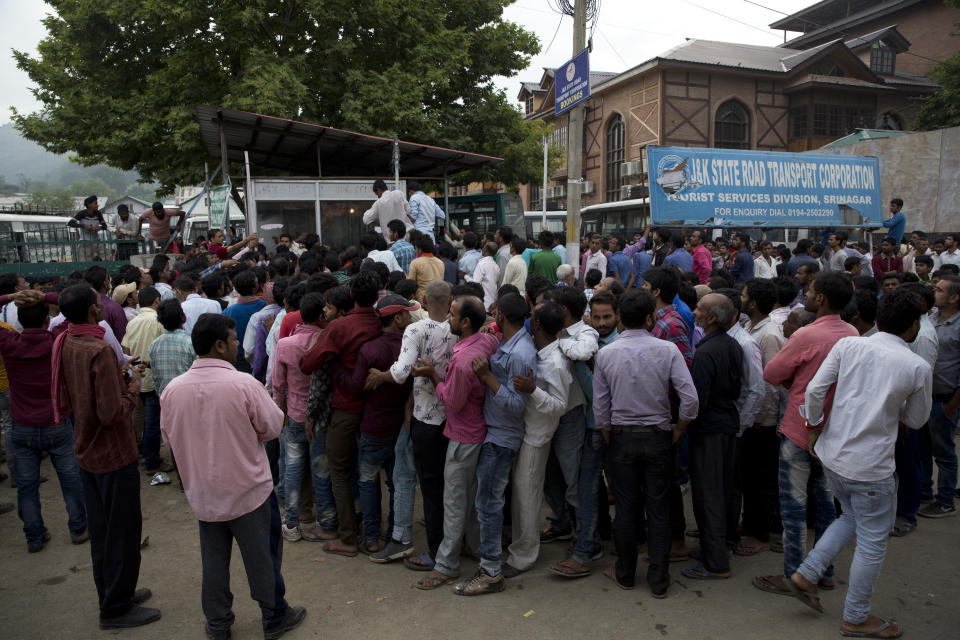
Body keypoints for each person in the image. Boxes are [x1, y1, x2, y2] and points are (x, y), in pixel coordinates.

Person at [788, 289, 930, 639]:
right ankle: (855, 616)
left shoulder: (850, 346)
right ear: (913, 326)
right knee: (871, 539)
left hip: (835, 455)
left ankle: (808, 572)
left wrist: (813, 425)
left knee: (851, 516)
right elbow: (916, 419)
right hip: (871, 466)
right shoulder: (916, 366)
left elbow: (815, 390)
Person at [160, 314, 305, 640]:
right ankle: (274, 617)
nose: (238, 344)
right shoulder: (243, 384)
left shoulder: (173, 391)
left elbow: (170, 438)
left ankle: (218, 624)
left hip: (204, 494)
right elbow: (272, 427)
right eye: (235, 339)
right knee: (262, 558)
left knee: (214, 560)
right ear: (220, 344)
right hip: (248, 491)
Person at [52, 284, 158, 630]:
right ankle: (115, 607)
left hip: (87, 448)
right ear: (92, 311)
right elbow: (113, 413)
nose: (102, 306)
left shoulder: (67, 340)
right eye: (98, 303)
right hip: (112, 453)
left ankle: (117, 593)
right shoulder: (96, 349)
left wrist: (121, 373)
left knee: (104, 531)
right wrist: (131, 383)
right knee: (122, 532)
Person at [753, 271, 857, 597]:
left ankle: (794, 574)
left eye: (810, 291)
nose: (806, 295)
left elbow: (771, 373)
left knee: (795, 507)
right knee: (826, 503)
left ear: (821, 298)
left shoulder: (807, 335)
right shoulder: (852, 333)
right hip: (834, 431)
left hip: (800, 428)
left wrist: (795, 379)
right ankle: (823, 570)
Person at [589, 289, 699, 594]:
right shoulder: (667, 350)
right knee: (659, 507)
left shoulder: (606, 354)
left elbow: (601, 405)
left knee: (625, 507)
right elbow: (690, 399)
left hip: (622, 437)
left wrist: (608, 433)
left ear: (621, 318)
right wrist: (679, 429)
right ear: (650, 318)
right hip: (658, 436)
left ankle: (625, 573)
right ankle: (658, 579)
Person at [364, 280, 456, 569]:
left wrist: (381, 376)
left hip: (426, 419)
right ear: (451, 300)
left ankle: (435, 551)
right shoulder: (461, 328)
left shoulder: (415, 330)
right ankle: (455, 543)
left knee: (429, 489)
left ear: (425, 302)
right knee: (450, 485)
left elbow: (402, 371)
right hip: (455, 417)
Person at [453, 292, 536, 595]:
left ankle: (490, 572)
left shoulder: (521, 353)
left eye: (494, 313)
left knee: (488, 503)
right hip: (494, 432)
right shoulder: (510, 342)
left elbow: (517, 405)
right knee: (487, 501)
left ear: (500, 315)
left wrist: (487, 377)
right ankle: (488, 564)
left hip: (502, 437)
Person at [414, 295, 498, 590]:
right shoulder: (485, 341)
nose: (447, 320)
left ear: (465, 322)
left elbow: (451, 400)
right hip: (476, 432)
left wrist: (432, 375)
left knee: (454, 500)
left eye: (451, 315)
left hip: (463, 436)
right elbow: (493, 331)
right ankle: (472, 547)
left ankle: (446, 563)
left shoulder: (462, 361)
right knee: (471, 498)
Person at [300, 270, 383, 557]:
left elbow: (308, 363)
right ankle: (372, 533)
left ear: (349, 297)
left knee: (339, 470)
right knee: (372, 474)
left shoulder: (340, 327)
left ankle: (347, 537)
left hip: (346, 407)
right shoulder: (382, 321)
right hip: (378, 408)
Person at [0, 290, 87, 552]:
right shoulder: (55, 339)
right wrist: (45, 295)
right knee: (70, 478)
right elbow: (76, 305)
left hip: (22, 424)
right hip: (56, 421)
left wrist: (12, 295)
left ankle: (34, 535)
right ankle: (79, 527)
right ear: (46, 320)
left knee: (27, 484)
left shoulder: (10, 343)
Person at [503, 301, 571, 577]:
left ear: (539, 324)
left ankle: (524, 555)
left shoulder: (554, 362)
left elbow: (559, 406)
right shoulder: (539, 350)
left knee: (527, 495)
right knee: (522, 493)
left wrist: (533, 390)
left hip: (537, 436)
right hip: (526, 430)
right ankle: (520, 544)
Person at [348, 295, 418, 553]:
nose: (411, 319)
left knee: (367, 480)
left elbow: (357, 385)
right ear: (397, 318)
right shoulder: (409, 347)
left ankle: (371, 536)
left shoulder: (369, 349)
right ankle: (393, 533)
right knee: (396, 482)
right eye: (407, 314)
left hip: (374, 425)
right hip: (402, 425)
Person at [681, 294, 742, 581]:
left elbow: (698, 399)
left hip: (710, 430)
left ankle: (716, 561)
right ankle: (722, 545)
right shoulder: (730, 344)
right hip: (726, 424)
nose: (694, 312)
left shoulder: (707, 352)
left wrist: (682, 425)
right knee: (723, 489)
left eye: (700, 309)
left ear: (713, 318)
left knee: (709, 494)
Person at [542, 288, 598, 543]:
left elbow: (583, 353)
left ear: (562, 311)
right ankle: (561, 522)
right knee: (549, 476)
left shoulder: (585, 333)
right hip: (545, 414)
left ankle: (586, 537)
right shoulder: (549, 331)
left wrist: (556, 339)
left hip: (570, 416)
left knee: (573, 478)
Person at [272, 293, 330, 542]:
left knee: (294, 468)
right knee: (320, 466)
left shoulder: (285, 344)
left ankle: (292, 523)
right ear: (320, 316)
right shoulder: (324, 340)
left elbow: (278, 385)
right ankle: (326, 520)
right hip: (320, 415)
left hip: (294, 413)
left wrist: (279, 412)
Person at [741, 279, 786, 547]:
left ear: (754, 302)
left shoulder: (768, 334)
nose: (742, 298)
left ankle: (759, 531)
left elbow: (770, 384)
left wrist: (761, 418)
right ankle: (750, 523)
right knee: (748, 475)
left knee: (760, 477)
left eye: (745, 294)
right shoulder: (752, 327)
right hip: (753, 416)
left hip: (762, 420)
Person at [919, 275, 960, 518]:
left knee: (943, 451)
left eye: (939, 290)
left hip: (946, 398)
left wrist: (953, 405)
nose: (933, 291)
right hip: (927, 395)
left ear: (954, 297)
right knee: (923, 447)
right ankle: (925, 490)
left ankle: (945, 500)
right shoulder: (932, 318)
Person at [121, 287, 173, 475]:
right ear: (157, 301)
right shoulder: (157, 321)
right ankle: (152, 461)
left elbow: (125, 350)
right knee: (152, 421)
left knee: (142, 418)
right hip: (152, 376)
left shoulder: (133, 322)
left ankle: (143, 453)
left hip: (137, 375)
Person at [85, 266, 128, 341]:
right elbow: (123, 338)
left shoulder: (83, 305)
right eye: (108, 279)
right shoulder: (114, 307)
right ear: (105, 283)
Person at [68, 195, 108, 261]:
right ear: (89, 205)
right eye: (95, 203)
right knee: (84, 260)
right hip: (84, 242)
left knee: (106, 257)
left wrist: (99, 227)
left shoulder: (98, 214)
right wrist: (83, 226)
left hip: (96, 241)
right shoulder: (82, 214)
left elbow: (105, 226)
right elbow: (70, 223)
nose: (97, 205)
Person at [408, 235, 445, 302]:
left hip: (422, 300)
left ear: (420, 249)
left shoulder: (415, 263)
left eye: (416, 248)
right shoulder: (440, 263)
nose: (415, 251)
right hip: (438, 300)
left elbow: (411, 285)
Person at [467, 242, 500, 311]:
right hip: (492, 304)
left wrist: (465, 276)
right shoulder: (496, 266)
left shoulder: (482, 264)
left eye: (484, 247)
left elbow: (475, 284)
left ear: (485, 250)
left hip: (483, 304)